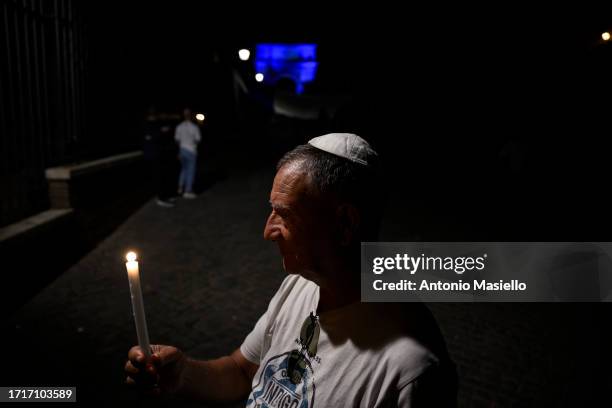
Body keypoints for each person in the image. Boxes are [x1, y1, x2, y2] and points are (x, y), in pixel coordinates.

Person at [125, 133, 457, 407]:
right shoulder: (298, 285)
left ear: (344, 224)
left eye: (284, 215)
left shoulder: (412, 371)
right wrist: (182, 373)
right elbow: (242, 371)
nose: (268, 231)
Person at [142, 107, 176, 208]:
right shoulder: (146, 125)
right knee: (159, 177)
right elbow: (149, 137)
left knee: (164, 176)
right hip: (153, 156)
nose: (155, 117)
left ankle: (165, 196)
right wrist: (161, 131)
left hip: (159, 155)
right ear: (150, 115)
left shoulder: (155, 124)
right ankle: (160, 198)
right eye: (153, 115)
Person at [174, 108, 201, 199]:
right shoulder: (194, 127)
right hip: (191, 151)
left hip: (182, 150)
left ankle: (180, 187)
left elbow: (177, 140)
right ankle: (188, 191)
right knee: (190, 171)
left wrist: (180, 150)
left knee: (183, 169)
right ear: (191, 115)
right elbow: (198, 140)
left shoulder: (179, 127)